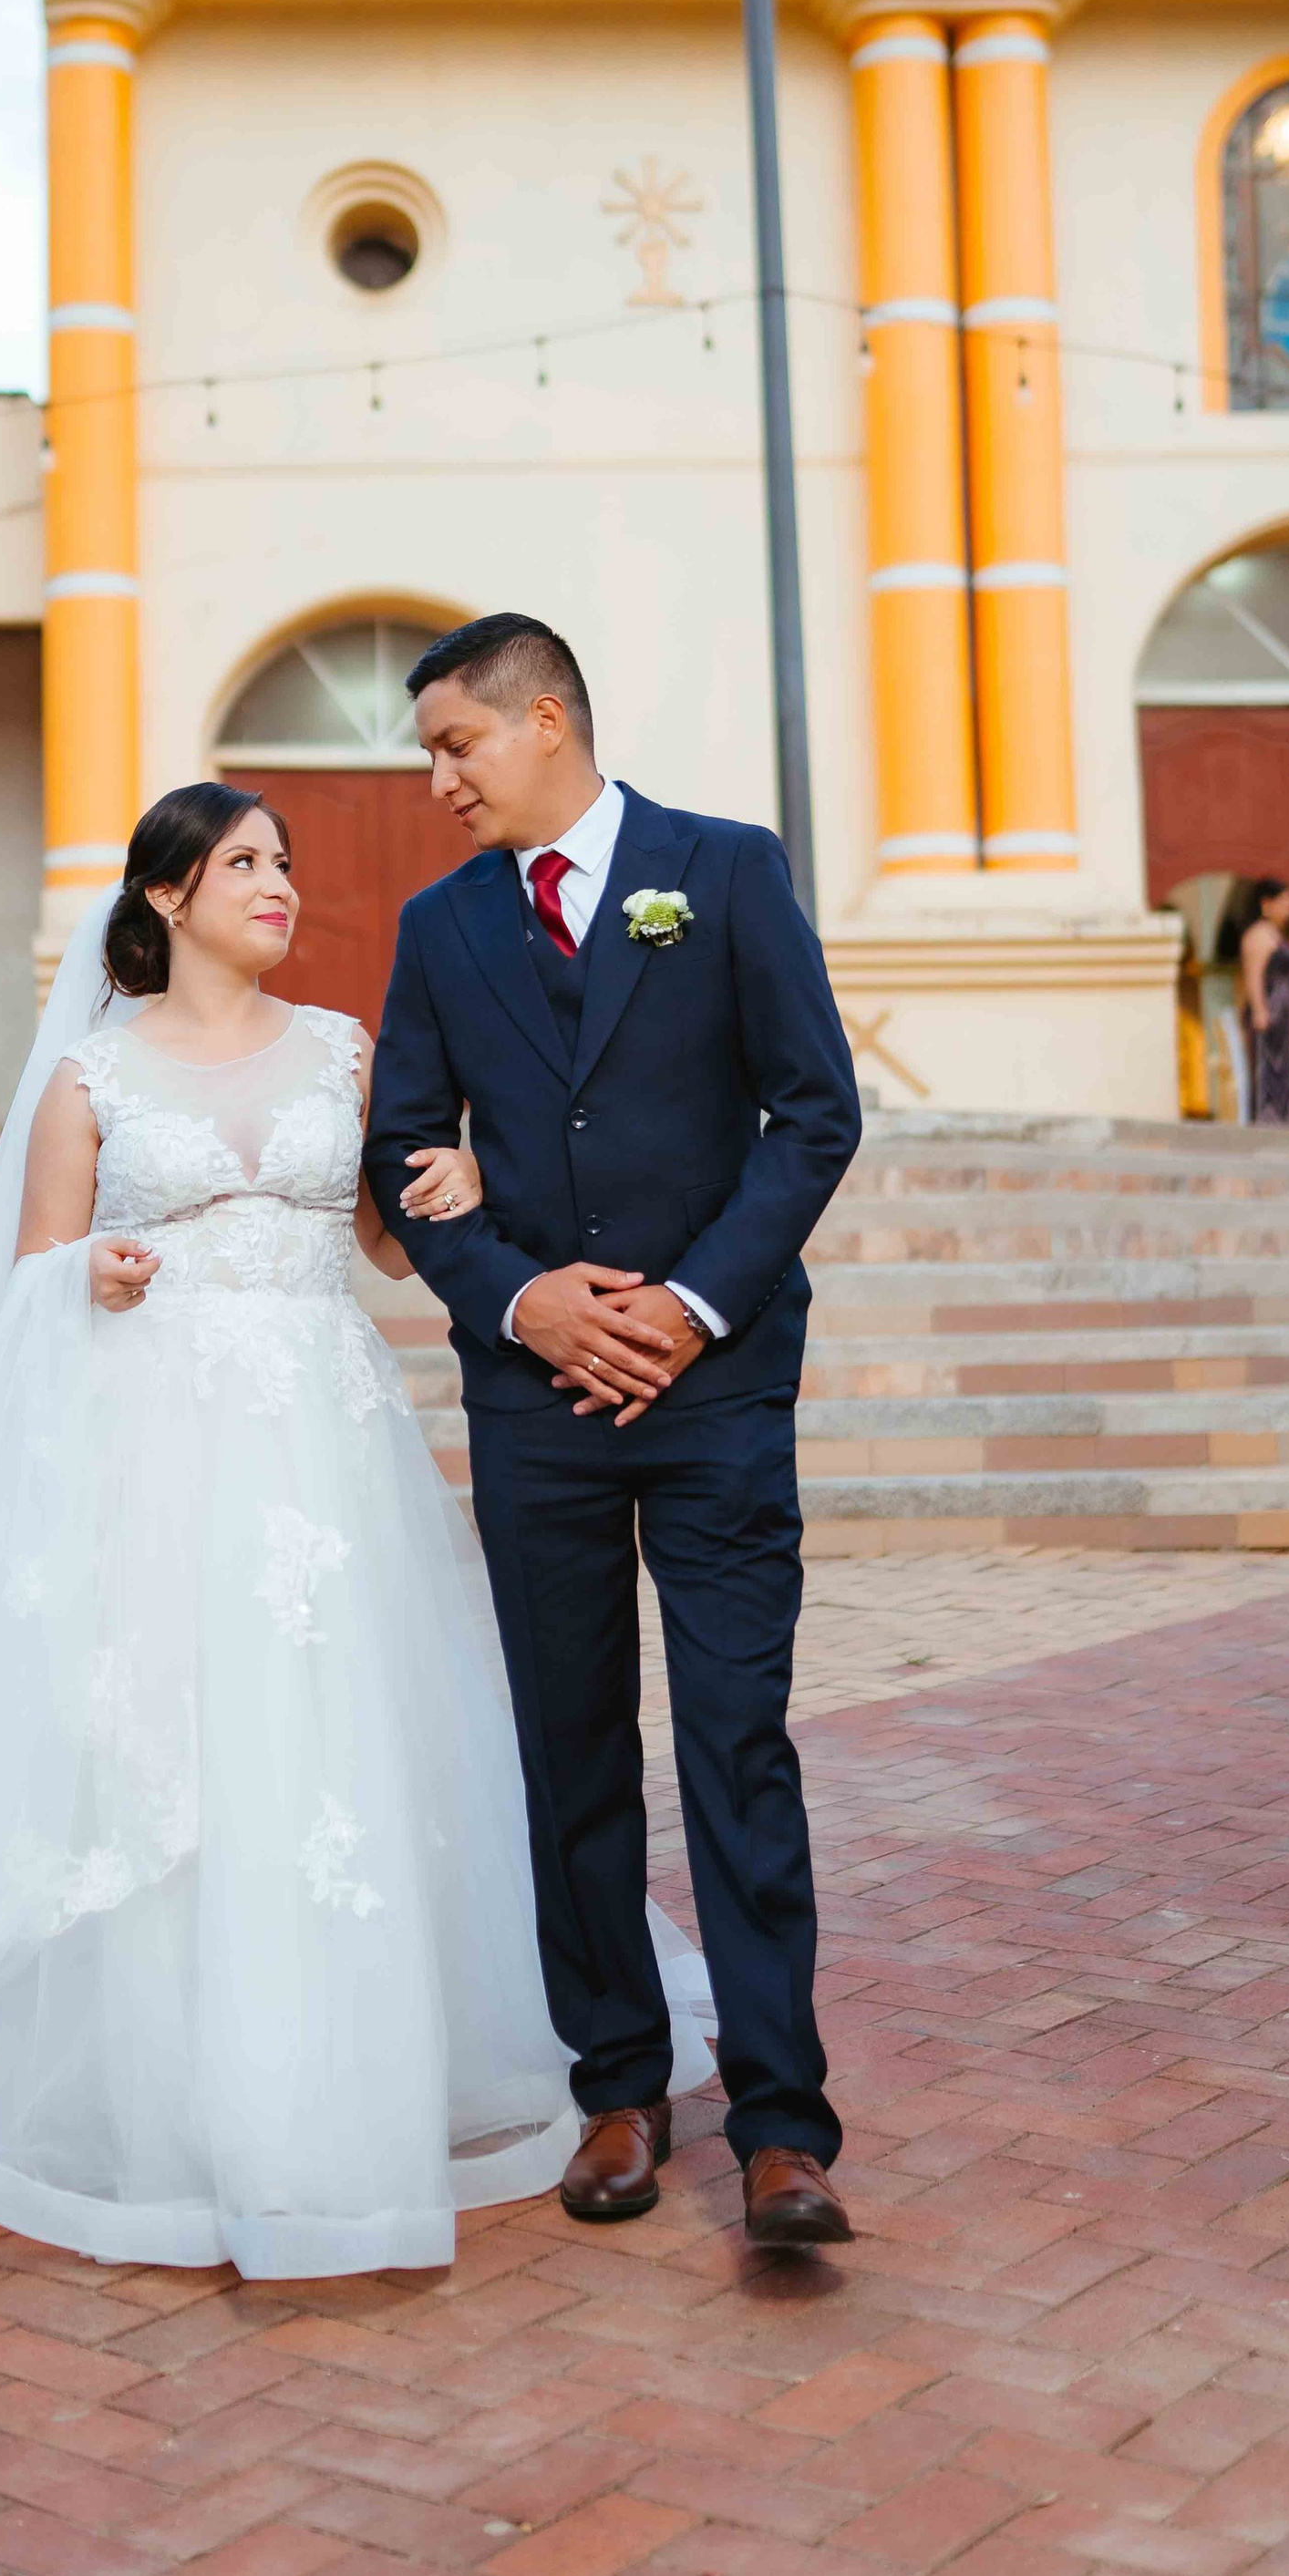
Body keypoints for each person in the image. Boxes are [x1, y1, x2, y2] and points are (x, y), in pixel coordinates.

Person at [0, 779, 712, 2278]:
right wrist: (92, 1278)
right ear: (169, 895)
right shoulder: (91, 1079)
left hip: (326, 1447)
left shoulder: (341, 1050)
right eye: (244, 861)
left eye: (286, 862)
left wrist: (463, 1180)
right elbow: (29, 1277)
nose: (279, 883)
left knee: (330, 1746)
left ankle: (340, 2088)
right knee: (174, 1745)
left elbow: (380, 1240)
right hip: (157, 1447)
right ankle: (164, 2106)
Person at [364, 613, 863, 2252]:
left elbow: (813, 1113)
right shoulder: (440, 931)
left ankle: (784, 2127)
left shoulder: (723, 871)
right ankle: (619, 2092)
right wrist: (527, 1304)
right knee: (569, 1751)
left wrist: (689, 1305)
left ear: (548, 720)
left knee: (736, 1743)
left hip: (714, 1394)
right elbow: (402, 1156)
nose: (437, 778)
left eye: (457, 744)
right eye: (432, 752)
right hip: (537, 1409)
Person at [1241, 878, 1289, 1127]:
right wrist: (1260, 1010)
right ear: (1267, 904)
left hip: (1283, 1015)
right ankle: (1267, 1118)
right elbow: (1253, 975)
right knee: (1267, 1068)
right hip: (1269, 1014)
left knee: (1283, 1069)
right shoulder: (1257, 936)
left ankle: (1285, 1117)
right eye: (1284, 902)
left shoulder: (1277, 935)